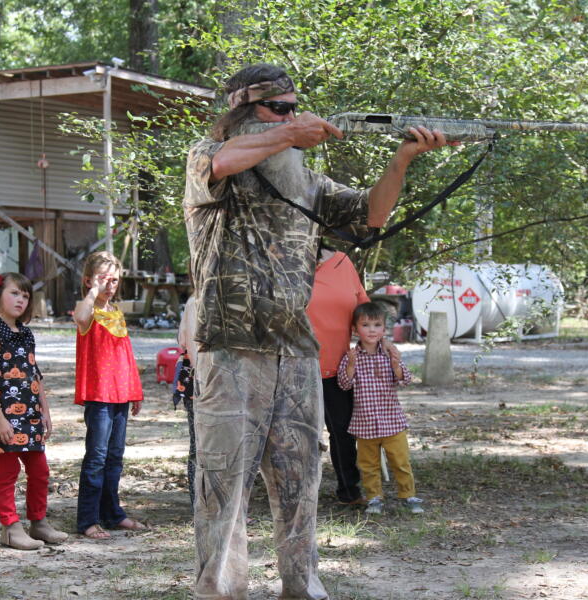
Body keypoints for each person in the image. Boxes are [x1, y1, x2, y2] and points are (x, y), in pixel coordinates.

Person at [184, 63, 455, 599]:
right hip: (231, 349)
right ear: (243, 111)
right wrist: (289, 131)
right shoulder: (207, 157)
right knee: (222, 487)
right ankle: (218, 592)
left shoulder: (306, 184)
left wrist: (403, 158)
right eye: (278, 108)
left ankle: (302, 587)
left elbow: (372, 215)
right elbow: (221, 162)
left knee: (301, 485)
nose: (292, 117)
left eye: (294, 107)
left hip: (296, 353)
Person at [0, 272, 69, 550]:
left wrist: (46, 410)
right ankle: (10, 527)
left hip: (29, 416)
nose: (20, 300)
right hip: (4, 416)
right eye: (14, 293)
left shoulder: (26, 334)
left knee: (40, 470)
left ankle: (38, 522)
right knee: (7, 472)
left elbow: (34, 374)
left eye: (25, 296)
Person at [74, 251, 146, 539]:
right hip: (99, 395)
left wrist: (135, 390)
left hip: (120, 395)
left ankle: (112, 513)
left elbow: (126, 355)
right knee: (97, 457)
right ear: (89, 279)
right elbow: (80, 316)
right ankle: (88, 520)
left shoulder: (116, 312)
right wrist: (93, 291)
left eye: (114, 279)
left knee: (115, 456)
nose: (110, 284)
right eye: (104, 279)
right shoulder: (88, 311)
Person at [337, 301, 422, 515]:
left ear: (384, 329)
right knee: (368, 465)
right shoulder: (351, 356)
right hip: (365, 424)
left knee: (401, 462)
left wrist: (396, 364)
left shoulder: (390, 353)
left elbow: (405, 380)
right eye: (365, 325)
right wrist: (349, 366)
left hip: (392, 422)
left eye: (377, 325)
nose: (372, 330)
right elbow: (344, 384)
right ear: (355, 330)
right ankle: (374, 497)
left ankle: (408, 495)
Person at [305, 245, 369, 506]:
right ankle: (293, 495)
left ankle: (349, 492)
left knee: (342, 431)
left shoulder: (342, 262)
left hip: (337, 368)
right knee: (293, 435)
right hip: (292, 370)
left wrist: (381, 344)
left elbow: (364, 312)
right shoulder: (283, 258)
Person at [174, 294, 198, 508]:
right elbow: (189, 343)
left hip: (222, 383)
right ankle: (200, 503)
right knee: (198, 446)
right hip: (199, 381)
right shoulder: (195, 302)